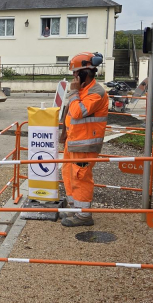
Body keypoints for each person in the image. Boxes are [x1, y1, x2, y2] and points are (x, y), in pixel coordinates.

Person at [59, 52, 108, 226]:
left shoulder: (96, 92)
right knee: (68, 174)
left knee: (81, 177)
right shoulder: (83, 90)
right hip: (73, 143)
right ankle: (75, 209)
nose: (73, 76)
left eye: (75, 73)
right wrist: (63, 133)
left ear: (84, 73)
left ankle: (84, 215)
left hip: (85, 145)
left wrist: (73, 92)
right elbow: (70, 112)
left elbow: (78, 112)